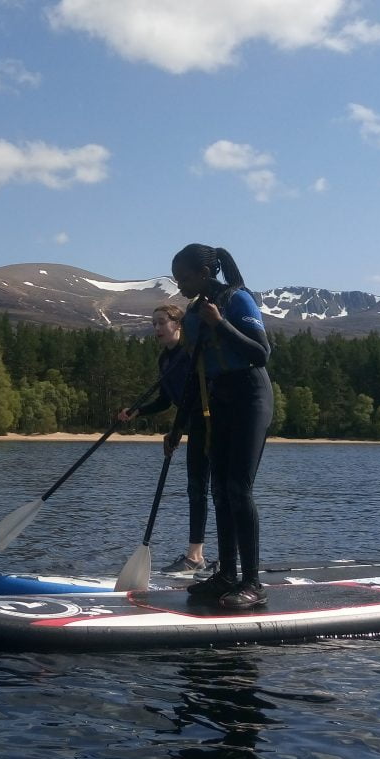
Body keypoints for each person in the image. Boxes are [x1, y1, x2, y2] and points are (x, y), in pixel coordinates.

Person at [170, 244, 274, 610]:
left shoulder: (237, 299)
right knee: (218, 490)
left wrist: (221, 324)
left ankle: (252, 582)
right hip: (219, 400)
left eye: (183, 277)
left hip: (251, 396)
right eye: (176, 278)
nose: (179, 284)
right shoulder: (194, 313)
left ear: (203, 273)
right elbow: (189, 376)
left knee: (237, 487)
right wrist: (177, 428)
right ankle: (227, 575)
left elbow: (261, 353)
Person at [116, 303, 214, 576]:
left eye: (162, 322)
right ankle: (197, 556)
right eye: (154, 324)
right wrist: (138, 411)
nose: (157, 328)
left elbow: (192, 398)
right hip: (193, 426)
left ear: (178, 324)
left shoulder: (190, 353)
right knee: (196, 488)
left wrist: (176, 430)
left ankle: (198, 557)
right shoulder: (165, 359)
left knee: (207, 489)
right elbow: (166, 399)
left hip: (212, 424)